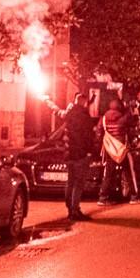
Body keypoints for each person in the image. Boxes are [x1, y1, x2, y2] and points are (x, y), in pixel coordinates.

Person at [51, 93, 95, 221]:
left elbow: (59, 113)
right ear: (83, 102)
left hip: (69, 153)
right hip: (80, 154)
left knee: (70, 182)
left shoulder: (69, 114)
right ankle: (75, 210)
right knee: (78, 183)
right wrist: (89, 151)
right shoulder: (84, 116)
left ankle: (70, 208)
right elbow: (88, 136)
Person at [97, 99, 135, 205]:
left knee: (108, 173)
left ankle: (103, 197)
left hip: (110, 149)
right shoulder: (124, 117)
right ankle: (134, 196)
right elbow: (133, 122)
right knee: (128, 172)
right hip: (122, 148)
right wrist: (131, 108)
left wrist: (102, 143)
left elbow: (98, 132)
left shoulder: (104, 118)